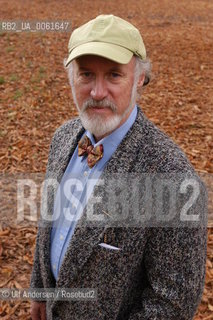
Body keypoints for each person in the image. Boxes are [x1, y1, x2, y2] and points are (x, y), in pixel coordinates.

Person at [30, 14, 207, 320]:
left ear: (140, 78)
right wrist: (40, 289)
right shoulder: (62, 138)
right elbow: (49, 225)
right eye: (86, 74)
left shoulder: (173, 178)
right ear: (71, 76)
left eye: (114, 75)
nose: (97, 93)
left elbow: (173, 304)